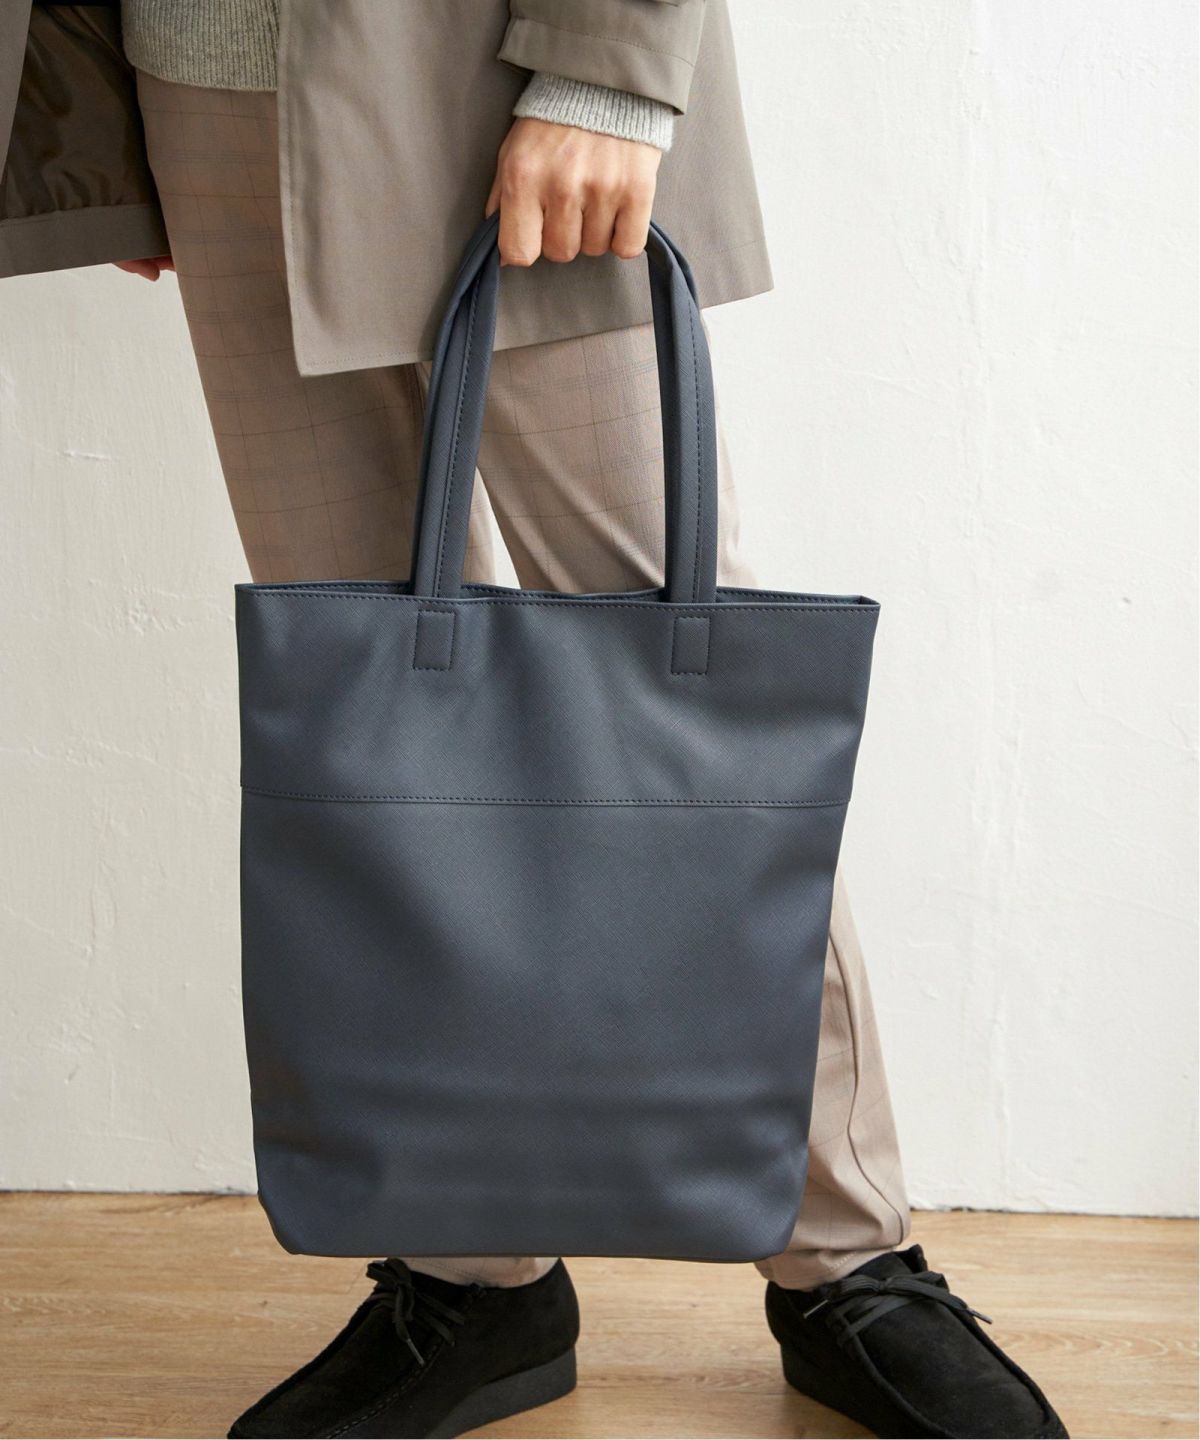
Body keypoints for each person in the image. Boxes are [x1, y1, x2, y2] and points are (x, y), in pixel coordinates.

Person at [0, 4, 1067, 1438]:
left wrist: (606, 74)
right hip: (201, 84)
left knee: (694, 738)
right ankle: (473, 1278)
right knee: (375, 746)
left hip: (485, 62)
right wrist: (98, 121)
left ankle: (847, 1267)